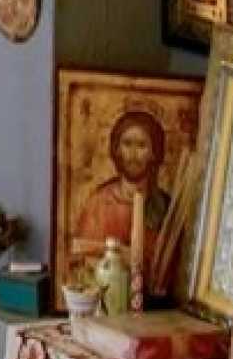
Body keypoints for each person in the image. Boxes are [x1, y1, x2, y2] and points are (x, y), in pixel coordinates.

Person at [72, 107, 172, 259]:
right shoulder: (98, 204)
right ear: (117, 149)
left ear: (154, 153)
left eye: (141, 145)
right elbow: (80, 257)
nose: (133, 154)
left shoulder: (164, 206)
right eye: (127, 144)